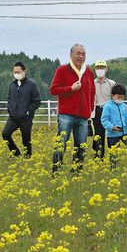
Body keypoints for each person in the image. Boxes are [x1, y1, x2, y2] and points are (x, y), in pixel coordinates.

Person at [50, 43, 96, 174]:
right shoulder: (62, 70)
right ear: (71, 55)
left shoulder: (88, 72)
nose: (81, 56)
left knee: (81, 146)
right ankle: (56, 172)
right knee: (61, 144)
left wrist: (89, 109)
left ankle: (76, 172)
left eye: (83, 54)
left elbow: (92, 92)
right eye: (78, 53)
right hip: (66, 115)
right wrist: (71, 89)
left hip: (83, 116)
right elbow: (53, 89)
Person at [3, 61, 41, 158]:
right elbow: (9, 98)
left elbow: (36, 101)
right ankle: (16, 153)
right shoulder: (12, 84)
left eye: (18, 72)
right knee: (5, 134)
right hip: (13, 117)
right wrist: (10, 109)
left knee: (26, 140)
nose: (16, 74)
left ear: (24, 71)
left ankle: (27, 159)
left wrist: (28, 112)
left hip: (26, 118)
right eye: (14, 72)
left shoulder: (32, 85)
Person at [101, 84, 127, 169]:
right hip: (113, 134)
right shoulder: (108, 106)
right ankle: (112, 169)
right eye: (118, 97)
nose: (120, 99)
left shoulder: (124, 105)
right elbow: (104, 120)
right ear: (112, 95)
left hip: (125, 132)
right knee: (114, 153)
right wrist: (112, 127)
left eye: (122, 98)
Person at [91, 60, 115, 159]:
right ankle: (98, 157)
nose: (100, 70)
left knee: (111, 133)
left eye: (102, 68)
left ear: (106, 69)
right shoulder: (92, 83)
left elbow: (115, 98)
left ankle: (113, 156)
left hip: (109, 110)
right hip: (97, 110)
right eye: (98, 68)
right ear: (95, 69)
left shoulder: (112, 83)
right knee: (98, 134)